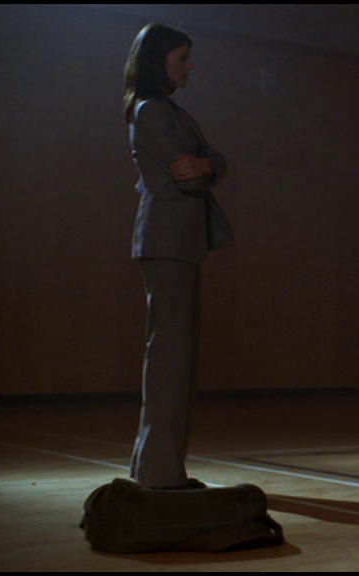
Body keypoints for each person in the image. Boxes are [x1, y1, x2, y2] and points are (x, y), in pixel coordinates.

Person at [122, 23, 232, 489]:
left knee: (176, 359)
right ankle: (160, 472)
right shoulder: (150, 111)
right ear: (158, 61)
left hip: (179, 244)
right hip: (166, 242)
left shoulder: (171, 111)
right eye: (181, 58)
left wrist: (205, 163)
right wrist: (206, 165)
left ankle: (156, 466)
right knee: (169, 359)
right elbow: (191, 177)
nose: (190, 67)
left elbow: (213, 161)